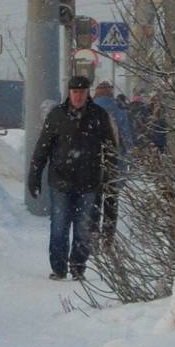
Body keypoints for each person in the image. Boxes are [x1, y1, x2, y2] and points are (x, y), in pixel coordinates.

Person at [28, 76, 118, 281]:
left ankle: (78, 267)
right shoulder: (57, 116)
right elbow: (43, 148)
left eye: (82, 92)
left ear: (88, 94)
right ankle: (59, 268)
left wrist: (111, 176)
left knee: (83, 228)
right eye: (75, 92)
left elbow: (110, 150)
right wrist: (34, 174)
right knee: (59, 226)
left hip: (89, 182)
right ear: (69, 93)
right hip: (61, 181)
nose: (78, 96)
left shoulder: (98, 116)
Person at [91, 81, 134, 244]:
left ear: (96, 92)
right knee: (111, 200)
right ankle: (108, 238)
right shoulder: (119, 111)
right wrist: (128, 162)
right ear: (111, 93)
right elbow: (127, 139)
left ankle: (93, 233)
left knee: (94, 199)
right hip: (113, 161)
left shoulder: (89, 108)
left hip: (92, 162)